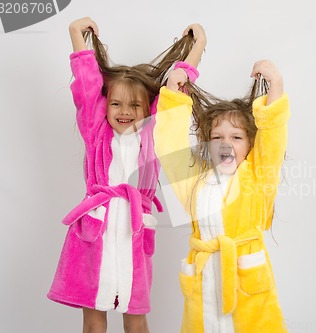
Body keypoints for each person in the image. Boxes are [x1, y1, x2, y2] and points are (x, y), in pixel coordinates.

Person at [47, 17, 206, 333]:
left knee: (135, 318)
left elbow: (177, 90)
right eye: (116, 103)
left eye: (135, 104)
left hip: (134, 233)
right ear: (104, 107)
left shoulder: (155, 132)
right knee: (94, 318)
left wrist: (197, 47)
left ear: (149, 109)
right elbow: (87, 85)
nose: (124, 110)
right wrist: (75, 36)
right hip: (96, 233)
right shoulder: (96, 131)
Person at [154, 59, 289, 332]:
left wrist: (275, 83)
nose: (226, 144)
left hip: (246, 282)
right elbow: (170, 148)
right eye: (217, 137)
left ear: (251, 144)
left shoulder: (258, 176)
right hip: (203, 282)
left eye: (237, 137)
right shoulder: (194, 182)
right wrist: (173, 98)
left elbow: (272, 139)